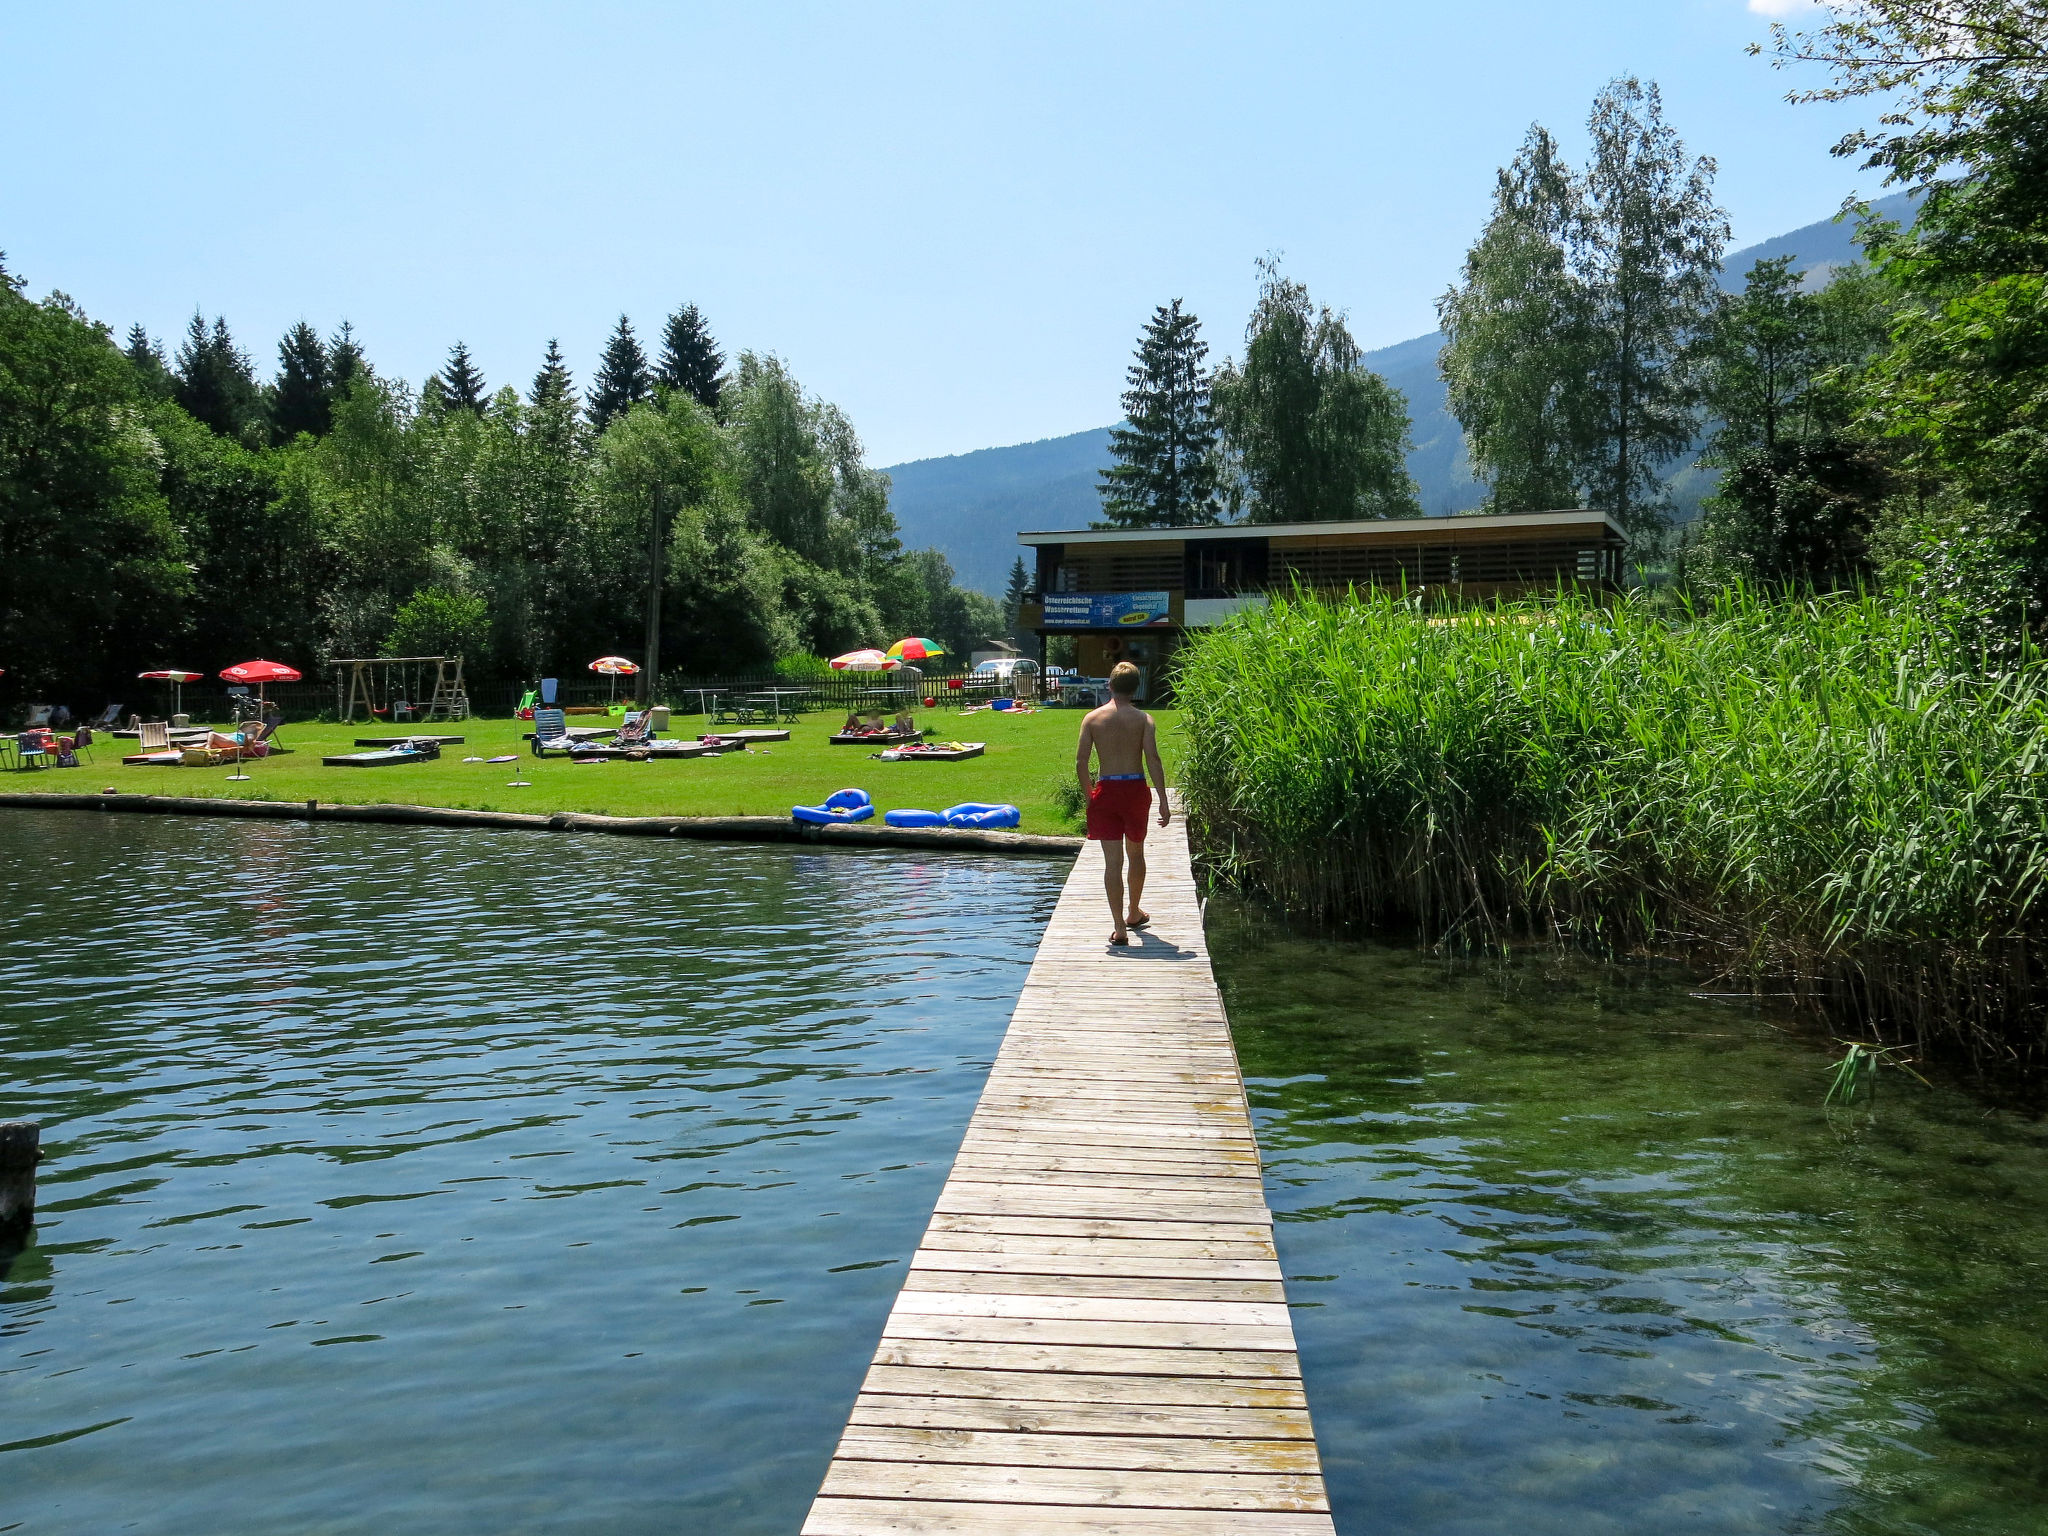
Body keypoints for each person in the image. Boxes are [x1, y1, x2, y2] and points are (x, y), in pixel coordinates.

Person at [1074, 660, 1170, 946]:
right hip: (1135, 790)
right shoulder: (1144, 720)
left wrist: (1088, 794)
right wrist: (1164, 800)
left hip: (1106, 791)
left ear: (1110, 685)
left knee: (1112, 863)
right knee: (1136, 854)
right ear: (1136, 688)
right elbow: (1153, 759)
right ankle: (1133, 912)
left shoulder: (1092, 719)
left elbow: (1081, 762)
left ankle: (1119, 928)